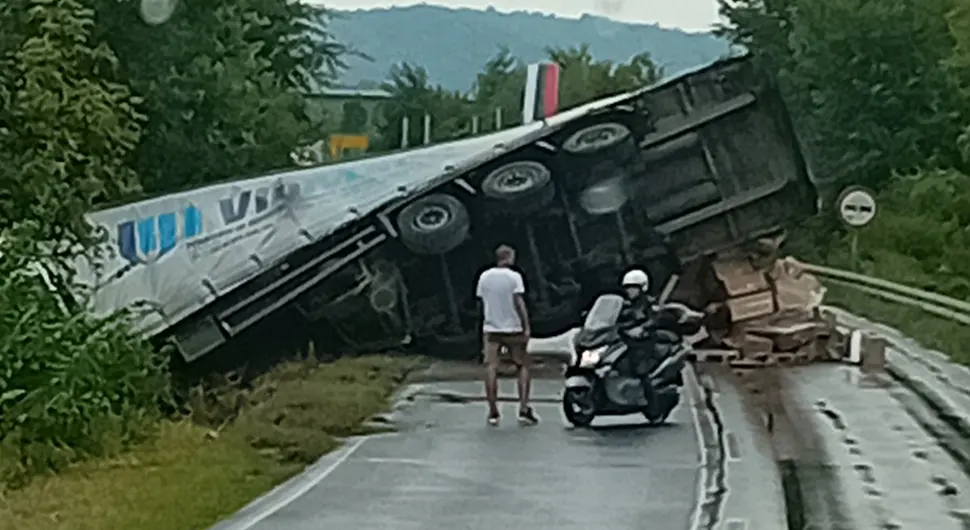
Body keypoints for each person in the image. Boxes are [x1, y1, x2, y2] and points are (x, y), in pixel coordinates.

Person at [475, 244, 540, 427]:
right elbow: (518, 302)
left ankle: (493, 411)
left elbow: (481, 301)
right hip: (513, 328)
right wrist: (526, 326)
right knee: (522, 365)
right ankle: (524, 408)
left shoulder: (484, 276)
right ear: (509, 257)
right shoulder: (514, 277)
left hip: (491, 328)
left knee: (491, 367)